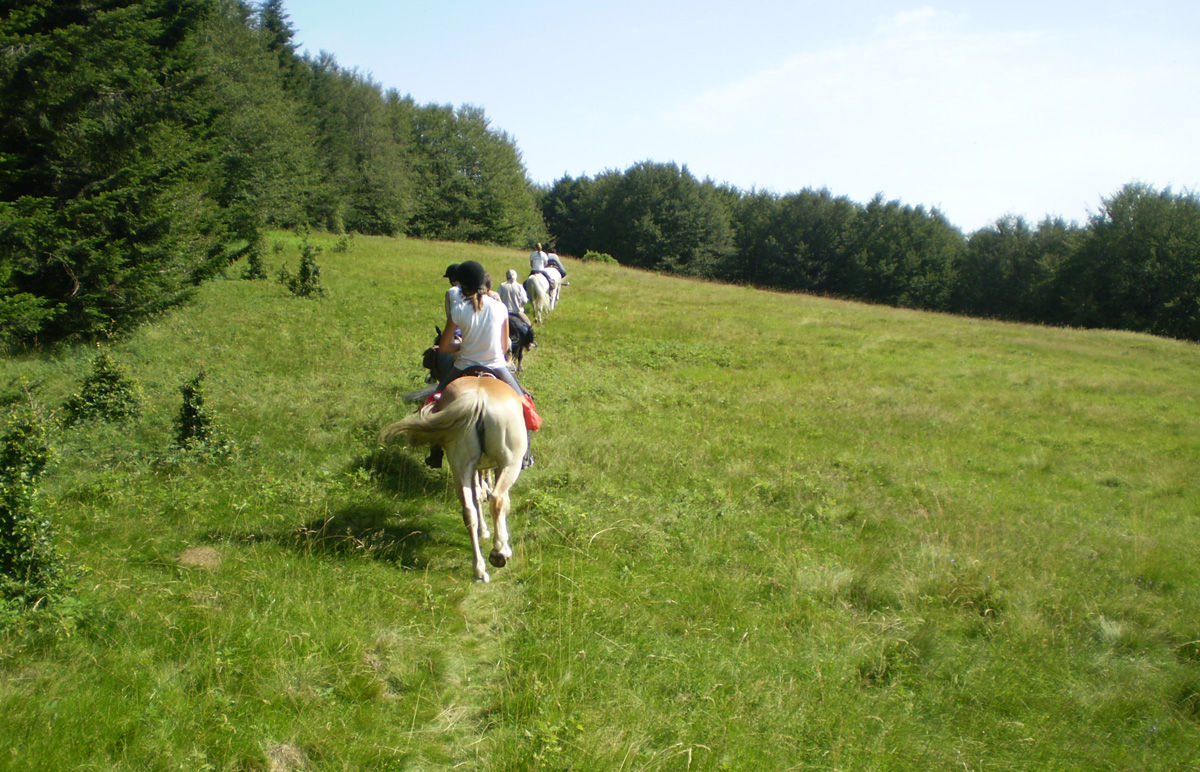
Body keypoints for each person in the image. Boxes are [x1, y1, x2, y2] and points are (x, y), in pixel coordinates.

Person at [427, 261, 539, 468]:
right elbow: (505, 346)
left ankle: (435, 452)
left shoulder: (458, 310)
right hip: (496, 366)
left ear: (462, 286)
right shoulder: (500, 308)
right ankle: (526, 455)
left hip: (463, 366)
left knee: (434, 402)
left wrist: (460, 346)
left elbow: (443, 347)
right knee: (525, 403)